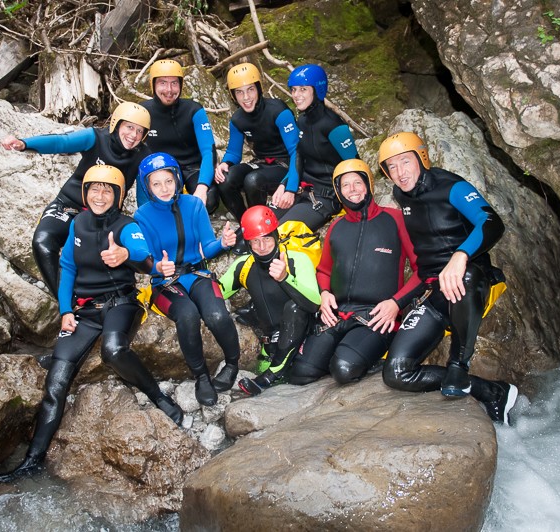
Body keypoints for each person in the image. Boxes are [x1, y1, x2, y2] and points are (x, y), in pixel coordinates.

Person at [0, 165, 183, 484]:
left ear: (118, 196)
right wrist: (66, 309)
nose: (100, 195)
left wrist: (125, 254)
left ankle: (161, 399)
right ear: (85, 193)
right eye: (94, 188)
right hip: (84, 312)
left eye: (108, 190)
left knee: (113, 351)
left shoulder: (126, 225)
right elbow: (67, 267)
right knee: (55, 385)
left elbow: (141, 252)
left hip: (121, 303)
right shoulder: (78, 223)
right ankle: (32, 461)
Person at [378, 132, 518, 424]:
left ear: (421, 158)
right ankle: (491, 391)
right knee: (395, 373)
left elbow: (491, 222)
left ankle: (459, 363)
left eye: (405, 161)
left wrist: (461, 254)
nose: (400, 173)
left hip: (470, 279)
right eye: (391, 167)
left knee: (463, 275)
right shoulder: (400, 194)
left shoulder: (450, 186)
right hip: (433, 291)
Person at [288, 159, 418, 386]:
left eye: (357, 182)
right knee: (301, 372)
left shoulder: (395, 219)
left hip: (376, 317)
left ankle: (368, 355)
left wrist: (396, 304)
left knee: (344, 369)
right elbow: (324, 270)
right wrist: (325, 294)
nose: (352, 190)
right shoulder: (337, 226)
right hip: (338, 315)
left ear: (368, 184)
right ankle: (347, 352)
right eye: (345, 185)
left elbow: (421, 270)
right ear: (338, 191)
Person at [1, 102, 152, 295]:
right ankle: (66, 303)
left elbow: (144, 200)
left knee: (108, 259)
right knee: (42, 243)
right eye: (129, 127)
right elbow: (61, 142)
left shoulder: (143, 156)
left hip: (105, 216)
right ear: (116, 123)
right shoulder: (95, 137)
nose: (133, 136)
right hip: (68, 205)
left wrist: (147, 231)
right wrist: (24, 144)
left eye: (140, 131)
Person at [134, 152, 239, 406]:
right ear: (147, 186)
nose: (164, 188)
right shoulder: (142, 216)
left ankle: (233, 363)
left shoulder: (193, 205)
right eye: (156, 183)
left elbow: (207, 248)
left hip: (198, 273)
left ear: (177, 178)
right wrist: (158, 267)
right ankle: (201, 375)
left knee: (216, 315)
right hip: (165, 283)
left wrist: (223, 243)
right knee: (188, 315)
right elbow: (144, 262)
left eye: (168, 181)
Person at [216, 206, 321, 396]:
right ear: (248, 243)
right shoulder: (244, 265)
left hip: (304, 342)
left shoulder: (297, 260)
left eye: (266, 239)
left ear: (276, 236)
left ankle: (274, 373)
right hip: (270, 348)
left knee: (295, 307)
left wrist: (285, 278)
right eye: (255, 241)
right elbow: (218, 292)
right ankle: (273, 370)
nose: (262, 246)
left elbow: (314, 303)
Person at [214, 62, 300, 225]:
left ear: (259, 88)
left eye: (250, 90)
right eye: (239, 92)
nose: (246, 98)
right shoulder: (238, 119)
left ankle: (260, 225)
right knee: (224, 179)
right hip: (261, 163)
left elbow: (297, 151)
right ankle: (245, 225)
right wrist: (225, 163)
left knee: (253, 181)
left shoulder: (278, 111)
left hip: (285, 166)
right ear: (233, 95)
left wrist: (289, 185)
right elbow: (234, 153)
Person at [278, 64, 359, 231]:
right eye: (293, 90)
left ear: (317, 90)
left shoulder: (334, 125)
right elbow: (299, 156)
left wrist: (359, 208)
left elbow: (355, 165)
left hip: (327, 197)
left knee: (280, 232)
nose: (296, 95)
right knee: (261, 225)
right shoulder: (302, 121)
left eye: (303, 89)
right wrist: (286, 186)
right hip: (304, 189)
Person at [140, 59, 220, 213]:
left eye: (174, 83)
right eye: (163, 83)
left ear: (181, 85)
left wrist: (202, 188)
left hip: (192, 168)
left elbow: (208, 151)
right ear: (153, 85)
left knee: (209, 201)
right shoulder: (143, 112)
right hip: (160, 170)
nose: (169, 90)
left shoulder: (193, 110)